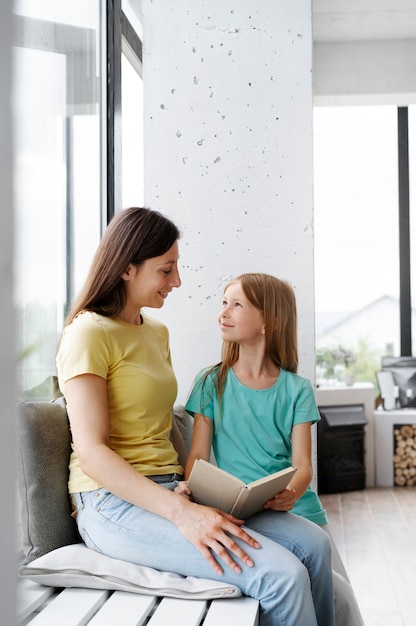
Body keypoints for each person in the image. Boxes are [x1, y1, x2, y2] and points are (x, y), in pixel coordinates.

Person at [56, 208, 335, 626]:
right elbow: (93, 454)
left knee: (313, 544)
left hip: (172, 488)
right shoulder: (87, 333)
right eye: (166, 270)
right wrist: (181, 512)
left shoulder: (155, 332)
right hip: (111, 502)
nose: (177, 282)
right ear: (128, 269)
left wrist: (187, 492)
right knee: (282, 576)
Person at [181, 272, 364, 626]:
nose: (224, 313)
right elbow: (198, 457)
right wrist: (197, 489)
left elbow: (302, 465)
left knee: (341, 596)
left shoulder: (297, 389)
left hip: (299, 511)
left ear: (269, 320)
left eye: (237, 305)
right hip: (244, 514)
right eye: (223, 303)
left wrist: (292, 493)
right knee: (300, 586)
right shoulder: (210, 383)